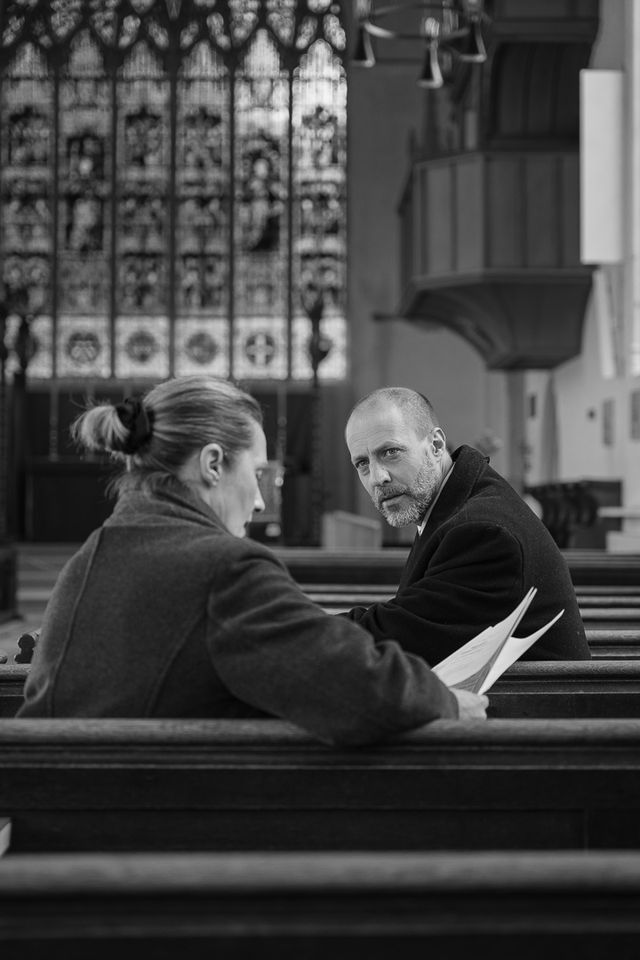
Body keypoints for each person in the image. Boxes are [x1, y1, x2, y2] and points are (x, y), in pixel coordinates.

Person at [18, 375, 487, 743]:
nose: (261, 503)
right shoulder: (223, 567)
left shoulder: (91, 555)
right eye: (258, 474)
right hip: (148, 843)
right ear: (214, 464)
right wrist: (443, 702)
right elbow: (353, 688)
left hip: (52, 828)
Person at [343, 387, 590, 664]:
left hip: (538, 704)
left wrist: (297, 631)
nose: (378, 477)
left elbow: (394, 635)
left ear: (436, 446)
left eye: (390, 452)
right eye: (362, 463)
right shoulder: (452, 504)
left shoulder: (484, 533)